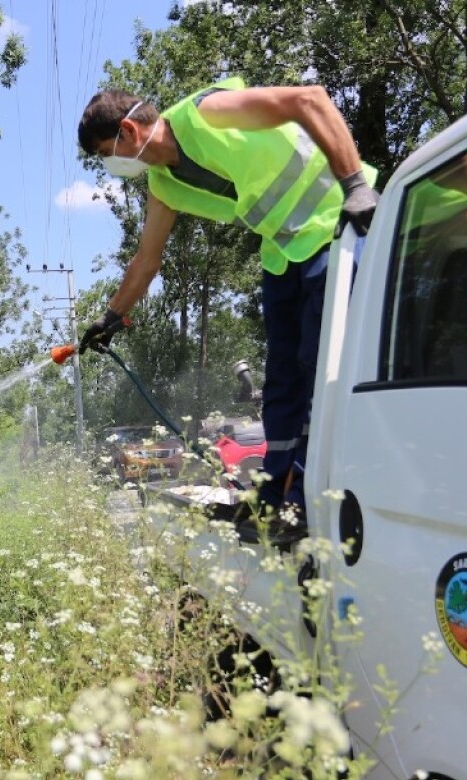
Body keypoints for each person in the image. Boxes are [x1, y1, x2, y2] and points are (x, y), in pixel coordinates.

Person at [75, 80, 379, 535]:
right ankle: (274, 503)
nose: (109, 164)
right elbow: (147, 259)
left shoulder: (206, 112)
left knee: (319, 372)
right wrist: (111, 318)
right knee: (281, 387)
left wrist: (355, 186)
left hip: (336, 224)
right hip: (285, 252)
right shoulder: (163, 184)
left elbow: (309, 100)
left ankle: (306, 503)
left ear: (128, 131)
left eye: (105, 152)